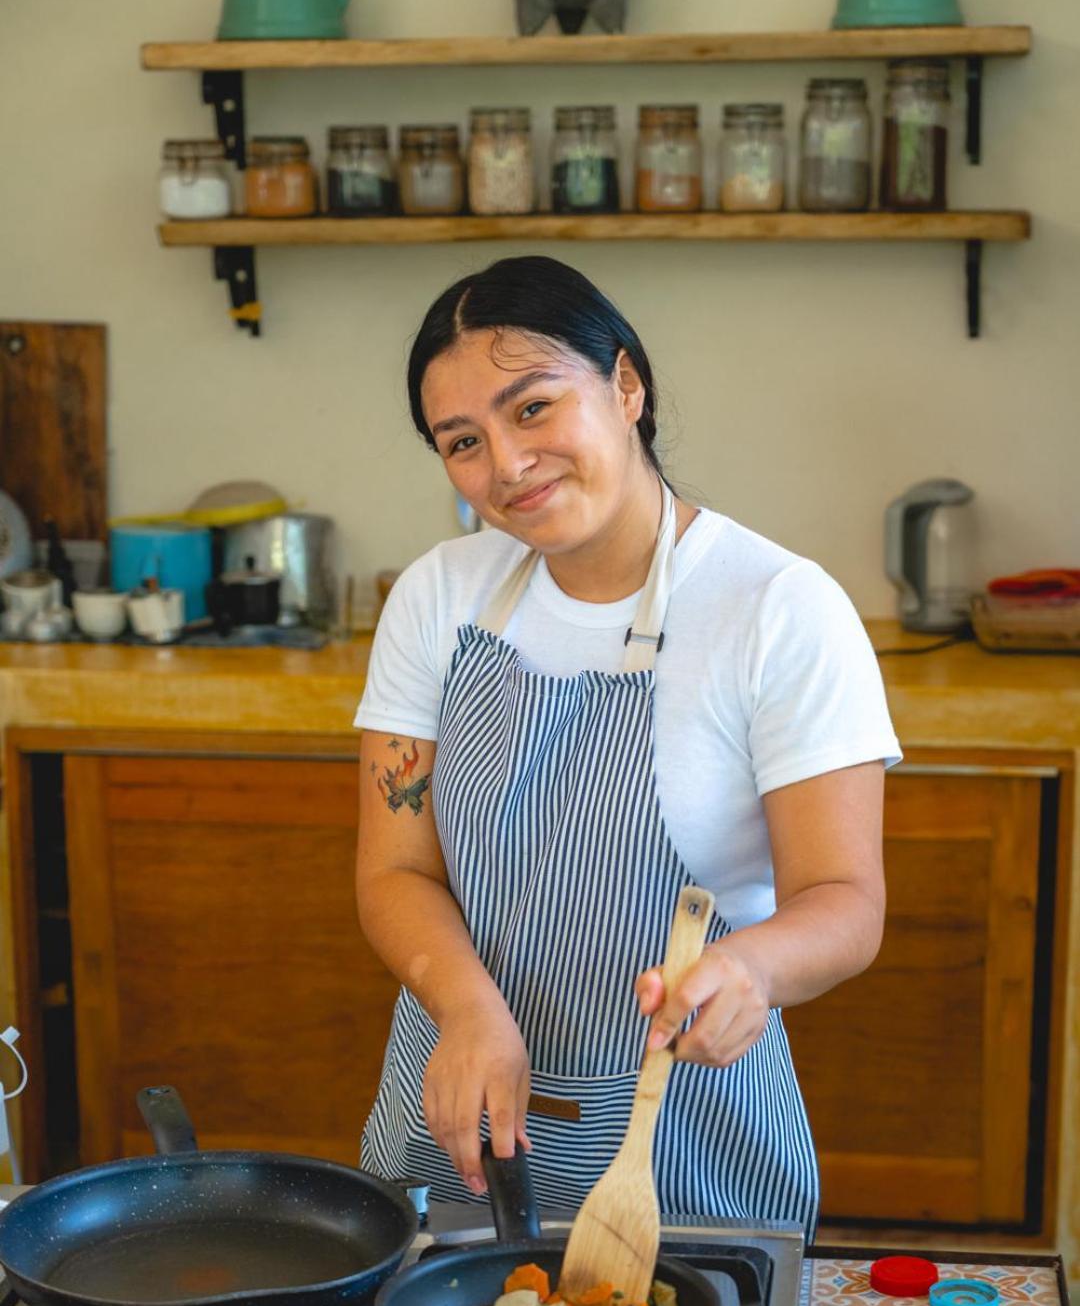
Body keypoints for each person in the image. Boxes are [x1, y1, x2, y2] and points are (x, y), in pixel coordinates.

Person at [354, 255, 900, 1237]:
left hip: (684, 1154)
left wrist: (756, 971)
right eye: (463, 441)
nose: (508, 466)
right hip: (464, 1141)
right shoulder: (438, 596)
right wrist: (468, 1008)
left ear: (626, 385)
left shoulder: (778, 610)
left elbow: (846, 904)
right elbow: (395, 868)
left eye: (533, 409)